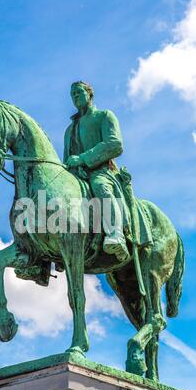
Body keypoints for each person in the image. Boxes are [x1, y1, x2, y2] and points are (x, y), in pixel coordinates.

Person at [63, 81, 129, 262]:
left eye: (78, 92)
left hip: (101, 172)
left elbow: (115, 144)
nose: (75, 96)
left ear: (89, 94)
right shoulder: (69, 130)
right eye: (72, 94)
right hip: (76, 176)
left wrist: (83, 159)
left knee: (100, 186)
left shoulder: (104, 116)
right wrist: (72, 168)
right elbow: (67, 160)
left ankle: (116, 235)